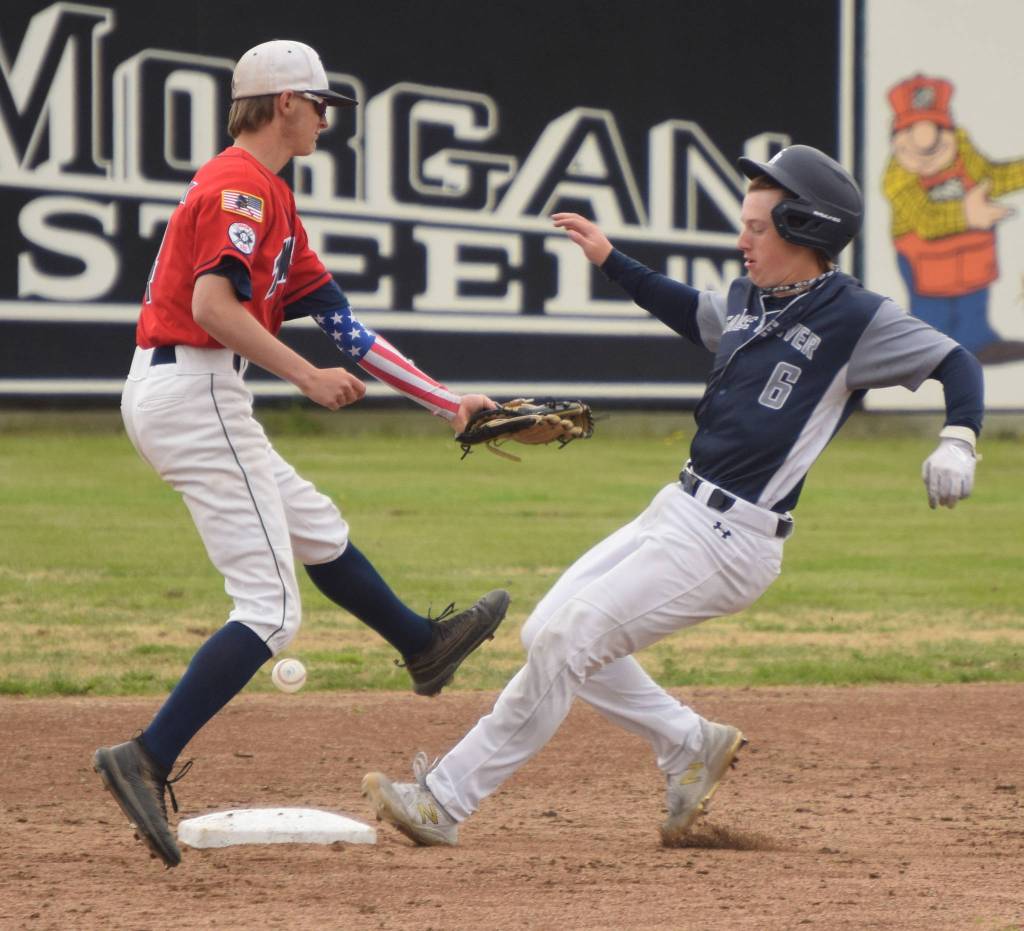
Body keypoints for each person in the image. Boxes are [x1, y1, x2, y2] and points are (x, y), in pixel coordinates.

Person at [361, 144, 984, 848]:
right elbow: (693, 313)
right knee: (548, 636)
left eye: (758, 227)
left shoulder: (857, 319)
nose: (741, 239)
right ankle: (689, 742)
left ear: (807, 231)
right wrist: (610, 258)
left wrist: (958, 437)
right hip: (679, 508)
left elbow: (955, 360)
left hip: (735, 542)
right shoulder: (750, 299)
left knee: (568, 639)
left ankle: (444, 798)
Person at [92, 40, 510, 868]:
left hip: (189, 388)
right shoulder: (241, 186)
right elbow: (213, 304)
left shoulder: (271, 198)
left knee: (315, 526)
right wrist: (306, 377)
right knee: (272, 610)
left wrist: (444, 402)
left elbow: (346, 326)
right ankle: (144, 755)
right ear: (284, 102)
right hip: (194, 387)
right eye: (320, 103)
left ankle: (422, 644)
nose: (327, 118)